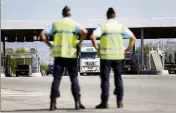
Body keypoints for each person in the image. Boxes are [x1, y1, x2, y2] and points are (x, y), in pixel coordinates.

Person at [40, 6, 88, 110]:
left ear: (62, 14)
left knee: (56, 79)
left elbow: (42, 34)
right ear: (70, 14)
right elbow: (84, 32)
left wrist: (50, 45)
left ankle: (52, 103)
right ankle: (77, 102)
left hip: (59, 55)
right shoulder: (74, 24)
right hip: (71, 55)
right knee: (74, 79)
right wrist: (79, 42)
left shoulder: (56, 24)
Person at [90, 7, 136, 109]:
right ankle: (119, 102)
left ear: (107, 16)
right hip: (118, 56)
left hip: (105, 56)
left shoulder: (103, 26)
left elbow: (92, 36)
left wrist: (97, 48)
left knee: (105, 79)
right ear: (115, 16)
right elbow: (133, 38)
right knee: (118, 78)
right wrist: (127, 50)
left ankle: (104, 102)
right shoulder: (120, 26)